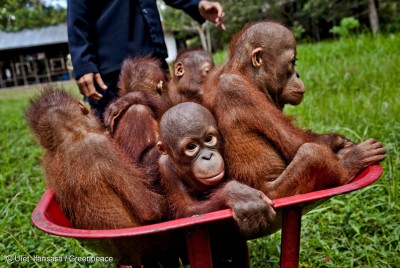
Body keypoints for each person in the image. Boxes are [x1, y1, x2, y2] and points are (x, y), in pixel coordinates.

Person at [67, 0, 225, 118]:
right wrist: (83, 63)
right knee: (117, 136)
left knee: (167, 123)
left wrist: (197, 4)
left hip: (153, 60)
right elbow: (77, 15)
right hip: (112, 67)